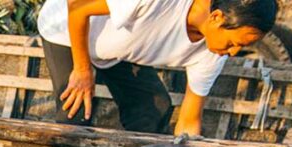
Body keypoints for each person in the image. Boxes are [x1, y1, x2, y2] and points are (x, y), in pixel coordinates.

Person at [37, 0, 277, 135]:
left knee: (155, 108)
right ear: (216, 18)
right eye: (234, 43)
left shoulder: (214, 53)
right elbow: (78, 7)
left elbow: (190, 121)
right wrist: (82, 69)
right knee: (76, 113)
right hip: (67, 30)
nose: (233, 52)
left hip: (120, 47)